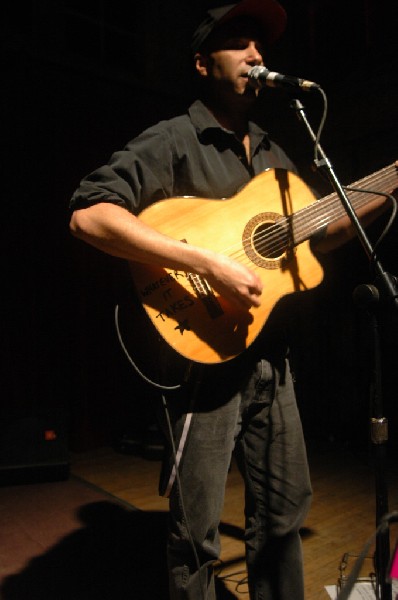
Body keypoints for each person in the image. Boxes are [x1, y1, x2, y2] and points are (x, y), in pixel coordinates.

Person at [69, 1, 392, 598]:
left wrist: (391, 182)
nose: (256, 54)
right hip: (201, 364)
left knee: (285, 516)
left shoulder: (273, 155)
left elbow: (321, 231)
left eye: (260, 45)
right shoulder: (173, 139)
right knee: (196, 536)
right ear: (201, 63)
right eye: (238, 43)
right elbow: (90, 217)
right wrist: (206, 261)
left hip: (273, 358)